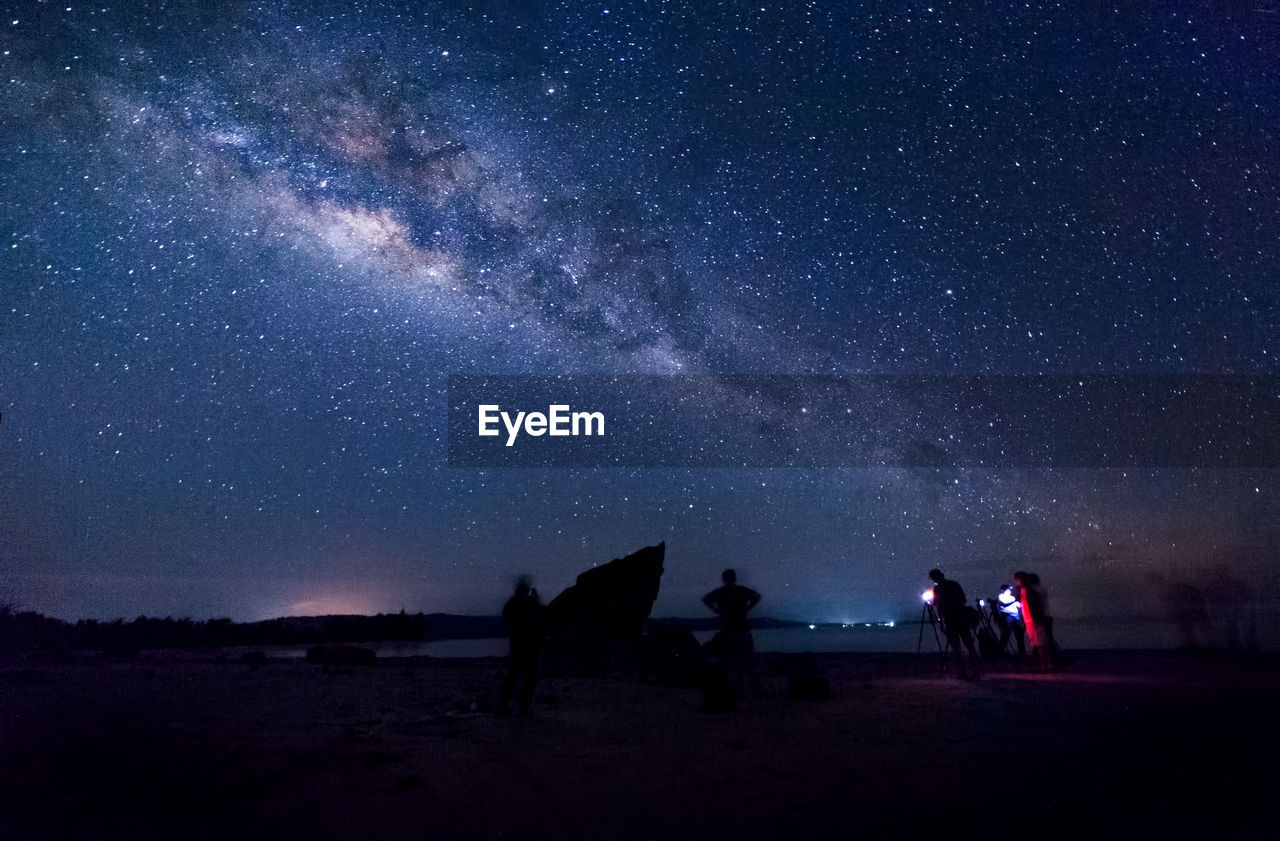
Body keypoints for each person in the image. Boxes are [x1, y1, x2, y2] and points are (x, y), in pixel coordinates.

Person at [701, 569, 761, 706]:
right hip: (742, 631)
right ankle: (754, 691)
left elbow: (705, 599)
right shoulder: (741, 591)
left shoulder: (720, 593)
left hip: (728, 632)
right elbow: (757, 597)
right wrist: (747, 609)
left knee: (732, 664)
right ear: (734, 578)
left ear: (724, 579)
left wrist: (715, 610)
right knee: (748, 662)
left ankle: (738, 693)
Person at [497, 577, 544, 715]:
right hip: (523, 645)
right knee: (518, 675)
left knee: (523, 675)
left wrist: (535, 601)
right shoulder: (514, 605)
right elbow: (514, 622)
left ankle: (521, 705)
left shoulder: (522, 603)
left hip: (528, 644)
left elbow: (538, 618)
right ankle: (511, 704)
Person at [928, 568, 980, 678]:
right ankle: (970, 671)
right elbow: (962, 600)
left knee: (962, 645)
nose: (933, 580)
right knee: (965, 645)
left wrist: (941, 620)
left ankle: (968, 671)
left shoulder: (940, 588)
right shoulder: (951, 585)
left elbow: (939, 606)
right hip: (956, 617)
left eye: (933, 578)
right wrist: (941, 620)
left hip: (955, 617)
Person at [994, 583, 1027, 657]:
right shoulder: (1001, 597)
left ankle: (1022, 653)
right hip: (1008, 617)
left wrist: (1018, 603)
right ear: (1003, 590)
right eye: (1008, 590)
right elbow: (1005, 604)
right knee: (1006, 635)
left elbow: (1017, 604)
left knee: (1019, 636)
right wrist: (1015, 601)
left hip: (1016, 617)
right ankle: (1000, 653)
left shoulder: (1012, 597)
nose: (1009, 591)